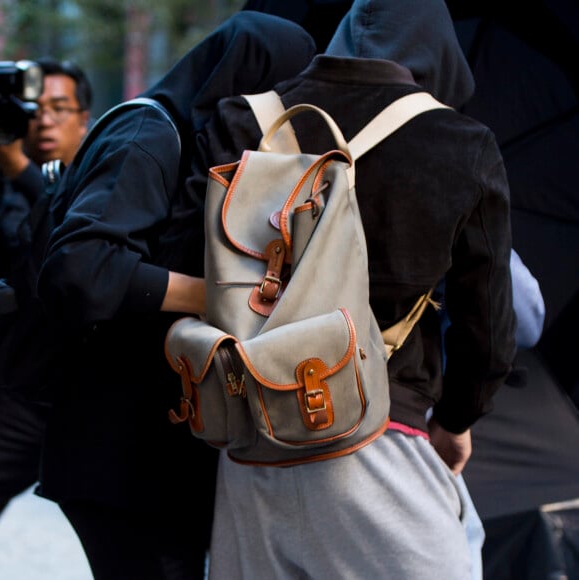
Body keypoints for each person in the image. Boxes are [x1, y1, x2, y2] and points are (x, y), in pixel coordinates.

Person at [186, 0, 517, 578]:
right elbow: (485, 323)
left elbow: (200, 262)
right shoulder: (460, 140)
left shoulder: (247, 118)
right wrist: (457, 420)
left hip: (251, 438)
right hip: (381, 435)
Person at [35, 12, 316, 580]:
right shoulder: (149, 135)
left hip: (144, 447)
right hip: (113, 449)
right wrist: (228, 297)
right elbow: (82, 268)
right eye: (282, 86)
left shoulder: (193, 141)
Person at [0, 57, 92, 516]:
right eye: (32, 109)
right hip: (12, 386)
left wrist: (19, 167)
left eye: (59, 108)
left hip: (72, 395)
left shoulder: (100, 183)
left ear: (84, 119)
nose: (43, 121)